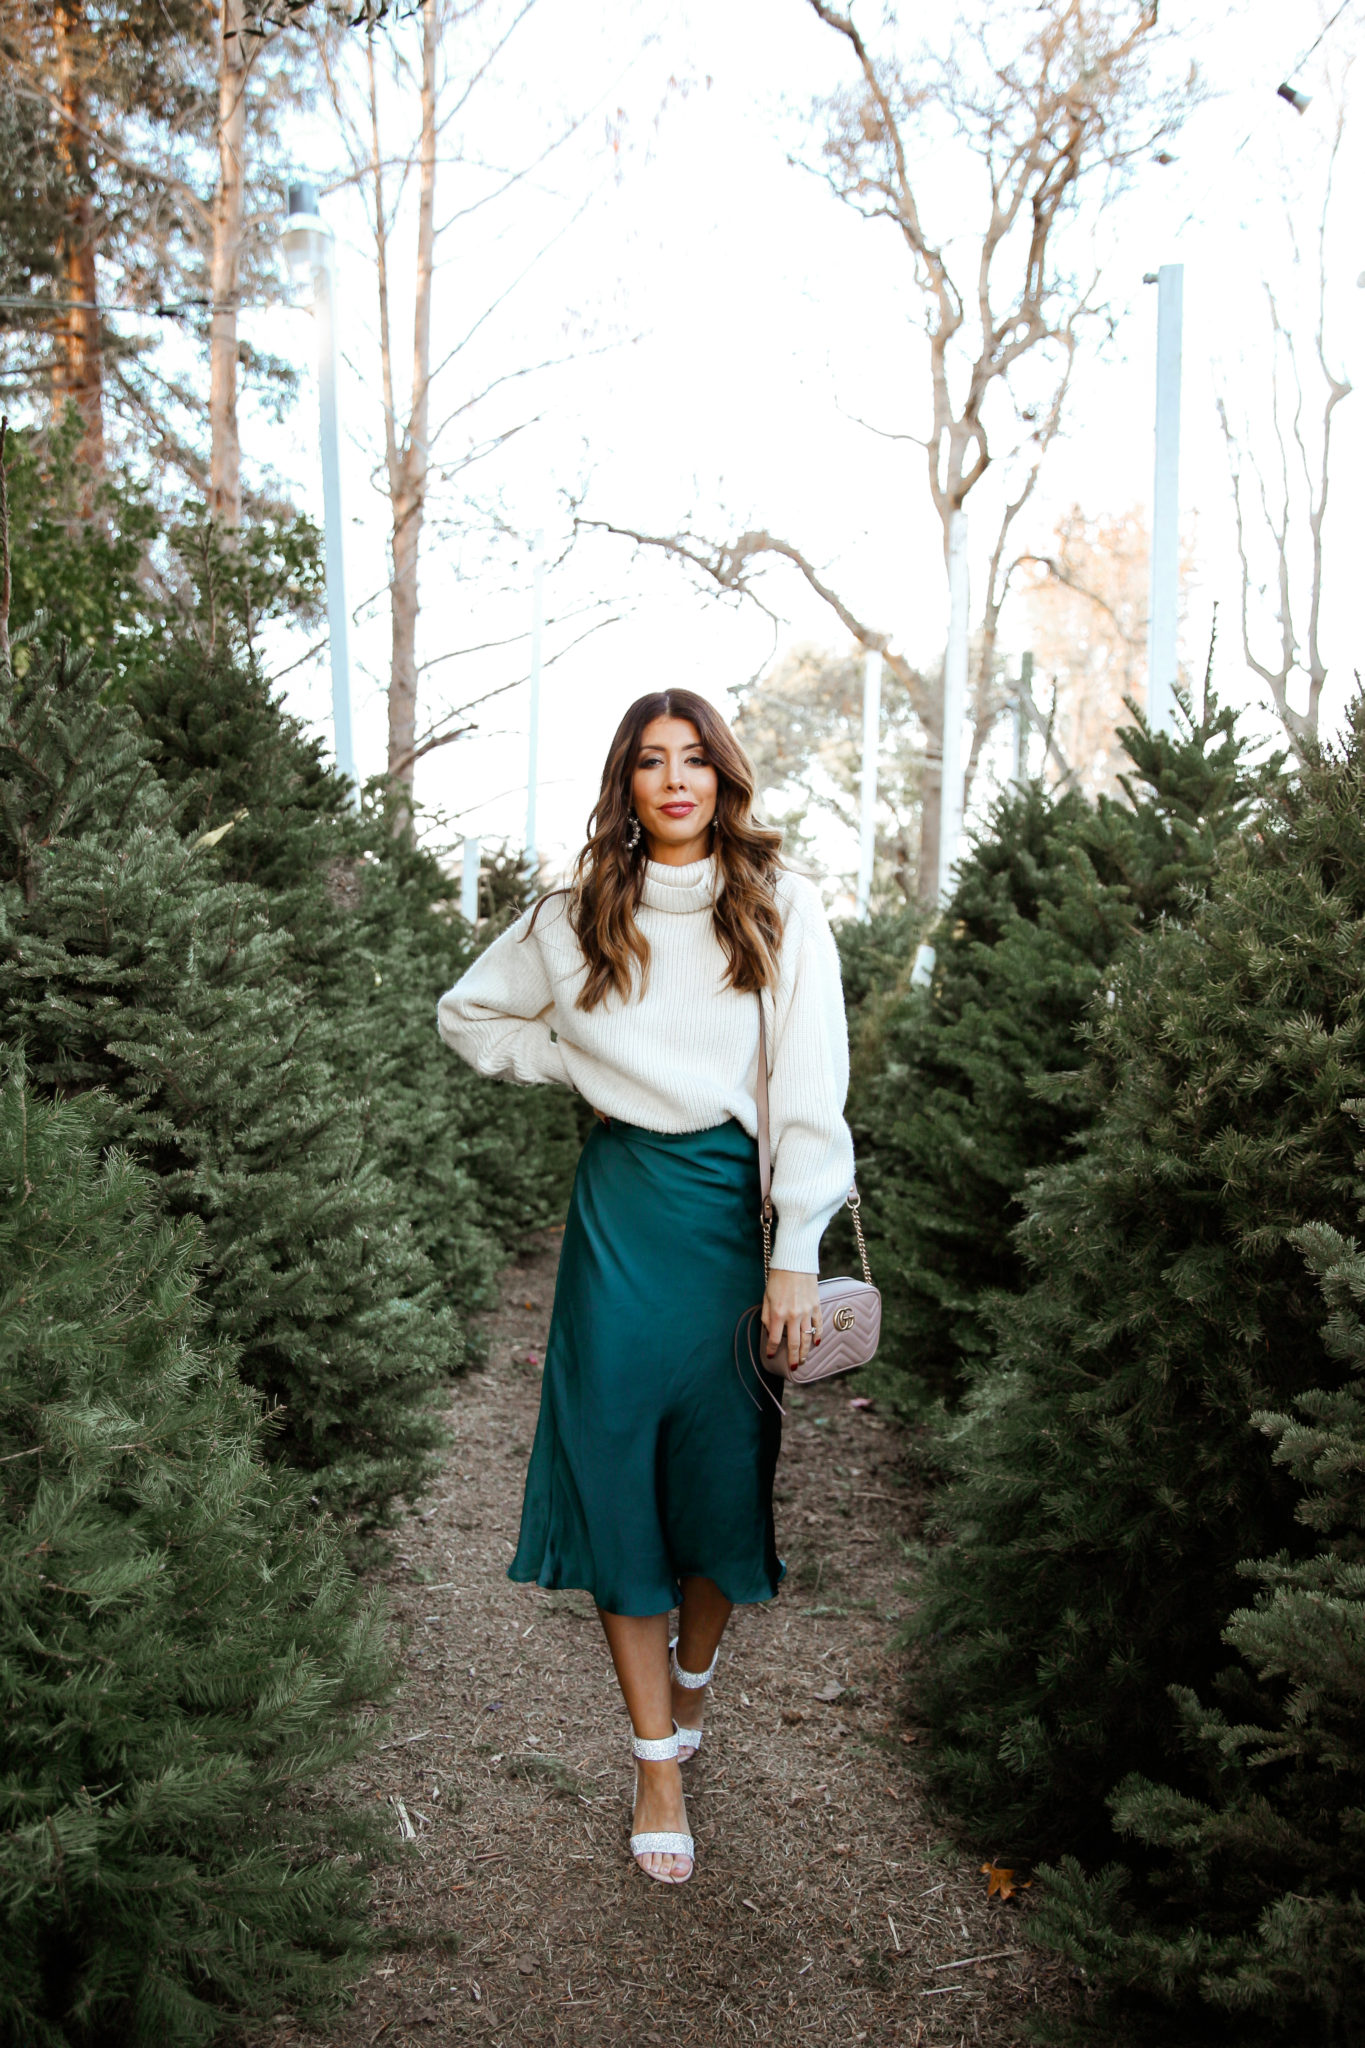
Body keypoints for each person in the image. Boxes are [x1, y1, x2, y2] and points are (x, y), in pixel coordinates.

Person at [437, 689, 853, 1886]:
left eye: (695, 761)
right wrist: (570, 1053)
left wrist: (794, 1253)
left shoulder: (777, 904)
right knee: (618, 1467)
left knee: (728, 1483)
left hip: (735, 1218)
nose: (675, 781)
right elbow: (466, 1016)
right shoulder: (574, 912)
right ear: (624, 782)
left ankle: (696, 1677)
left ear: (723, 777)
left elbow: (810, 1088)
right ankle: (655, 1757)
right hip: (620, 1214)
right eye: (649, 763)